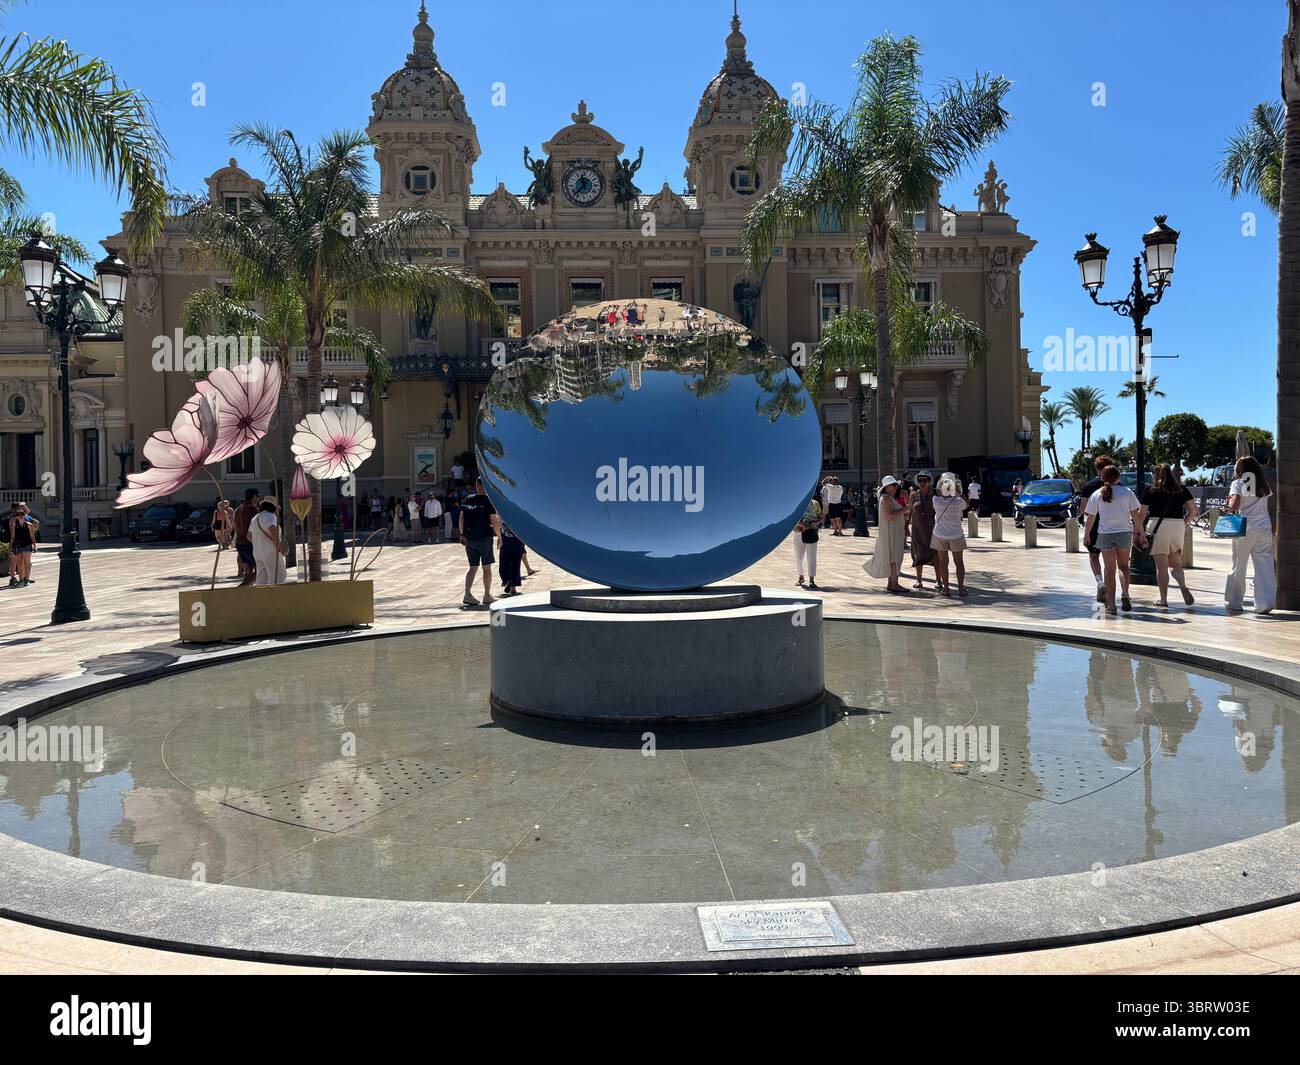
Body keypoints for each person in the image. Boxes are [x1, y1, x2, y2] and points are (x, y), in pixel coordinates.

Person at [1083, 465, 1146, 616]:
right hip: (1124, 533)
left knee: (1109, 570)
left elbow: (1090, 517)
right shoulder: (1127, 492)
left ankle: (1111, 605)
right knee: (1124, 566)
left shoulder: (1097, 494)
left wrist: (1087, 535)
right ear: (1118, 477)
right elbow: (1135, 515)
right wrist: (1141, 533)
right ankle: (1125, 593)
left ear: (1102, 478)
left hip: (1105, 535)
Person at [1224, 455, 1275, 615]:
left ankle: (1234, 602)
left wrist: (1228, 505)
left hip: (1245, 527)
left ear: (1240, 470)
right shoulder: (1263, 485)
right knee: (1265, 565)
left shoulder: (1238, 483)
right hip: (1264, 527)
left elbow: (1235, 505)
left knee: (1239, 564)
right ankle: (1264, 603)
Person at [1140, 463, 1196, 609]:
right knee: (1176, 564)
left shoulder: (1150, 490)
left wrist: (1139, 531)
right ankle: (1183, 586)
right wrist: (1183, 523)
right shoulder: (1181, 489)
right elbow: (1193, 510)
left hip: (1157, 526)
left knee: (1162, 567)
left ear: (1155, 475)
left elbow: (1141, 514)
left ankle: (1164, 600)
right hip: (1177, 526)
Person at [1077, 454, 1115, 603]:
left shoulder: (1089, 486)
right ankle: (1112, 591)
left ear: (1097, 468)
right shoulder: (1117, 485)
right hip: (1112, 526)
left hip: (1094, 526)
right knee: (1110, 560)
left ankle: (1100, 582)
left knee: (1094, 557)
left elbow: (1084, 509)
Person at [459, 477, 501, 606]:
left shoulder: (467, 499)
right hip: (484, 538)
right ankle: (487, 595)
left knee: (472, 568)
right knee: (486, 568)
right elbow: (494, 521)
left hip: (470, 539)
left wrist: (462, 534)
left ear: (477, 485)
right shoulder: (489, 501)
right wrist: (500, 536)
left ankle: (467, 594)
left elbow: (461, 518)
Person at [865, 475, 907, 593]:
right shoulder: (887, 498)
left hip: (893, 531)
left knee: (893, 557)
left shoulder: (886, 498)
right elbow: (890, 516)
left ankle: (891, 583)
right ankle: (894, 584)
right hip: (892, 532)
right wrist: (904, 509)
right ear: (887, 487)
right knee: (895, 557)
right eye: (894, 485)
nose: (896, 487)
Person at [931, 473, 970, 597]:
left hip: (940, 534)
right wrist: (958, 491)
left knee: (943, 563)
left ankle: (946, 589)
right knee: (959, 563)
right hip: (956, 534)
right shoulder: (958, 502)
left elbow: (937, 492)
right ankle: (961, 589)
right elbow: (967, 504)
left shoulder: (936, 501)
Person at [909, 470, 940, 589]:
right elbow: (909, 510)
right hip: (918, 529)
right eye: (920, 480)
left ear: (929, 481)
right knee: (918, 553)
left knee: (936, 554)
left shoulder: (935, 494)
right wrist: (906, 525)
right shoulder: (914, 494)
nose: (922, 482)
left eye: (925, 480)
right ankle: (919, 580)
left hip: (933, 529)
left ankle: (938, 580)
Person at [249, 498, 288, 586]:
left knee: (262, 580)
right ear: (273, 507)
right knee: (279, 577)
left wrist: (260, 543)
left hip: (258, 553)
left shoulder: (255, 518)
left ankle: (261, 598)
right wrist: (279, 546)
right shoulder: (270, 516)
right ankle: (276, 598)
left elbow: (249, 536)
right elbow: (272, 529)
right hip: (271, 552)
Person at [793, 493, 822, 589]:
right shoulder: (796, 503)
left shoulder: (815, 503)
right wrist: (799, 525)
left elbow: (820, 517)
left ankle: (811, 579)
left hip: (811, 531)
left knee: (812, 556)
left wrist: (815, 523)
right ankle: (801, 576)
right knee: (799, 556)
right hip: (798, 531)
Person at [233, 488, 260, 587]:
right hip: (249, 543)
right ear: (254, 497)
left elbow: (235, 526)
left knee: (247, 570)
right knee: (260, 568)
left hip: (240, 542)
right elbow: (257, 526)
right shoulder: (253, 509)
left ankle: (245, 590)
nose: (258, 499)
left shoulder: (238, 508)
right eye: (257, 497)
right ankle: (242, 588)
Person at [6, 501, 38, 587]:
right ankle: (13, 578)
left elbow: (27, 511)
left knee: (24, 562)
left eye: (22, 507)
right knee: (15, 562)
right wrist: (11, 544)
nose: (22, 509)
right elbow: (12, 534)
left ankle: (24, 578)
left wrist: (23, 504)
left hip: (25, 542)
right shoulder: (13, 519)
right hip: (17, 542)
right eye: (20, 507)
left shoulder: (24, 516)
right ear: (15, 509)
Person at [498, 522, 526, 596]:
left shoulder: (501, 512)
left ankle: (507, 580)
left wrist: (499, 536)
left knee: (504, 562)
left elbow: (499, 523)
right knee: (516, 563)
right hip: (519, 537)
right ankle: (513, 588)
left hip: (505, 538)